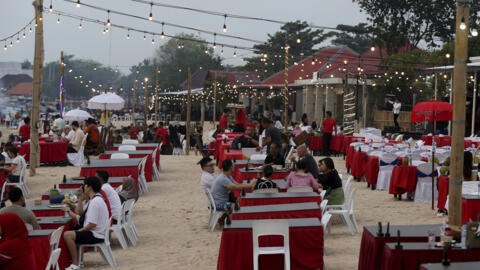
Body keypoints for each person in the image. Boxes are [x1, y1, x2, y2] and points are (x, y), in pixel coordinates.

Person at [63, 177, 109, 270]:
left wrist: (80, 230)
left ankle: (75, 264)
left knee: (68, 235)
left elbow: (92, 224)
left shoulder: (95, 202)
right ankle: (78, 261)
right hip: (97, 232)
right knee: (72, 231)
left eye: (84, 185)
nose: (83, 187)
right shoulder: (96, 198)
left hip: (95, 234)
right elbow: (80, 212)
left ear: (89, 187)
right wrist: (80, 198)